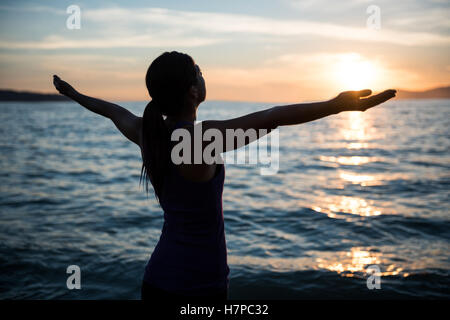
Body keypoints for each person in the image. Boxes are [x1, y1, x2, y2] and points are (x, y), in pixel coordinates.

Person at [53, 50, 396, 300]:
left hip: (158, 280)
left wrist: (75, 94)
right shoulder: (201, 138)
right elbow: (273, 116)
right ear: (192, 91)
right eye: (199, 72)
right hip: (199, 287)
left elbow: (111, 111)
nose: (203, 76)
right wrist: (336, 105)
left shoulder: (148, 134)